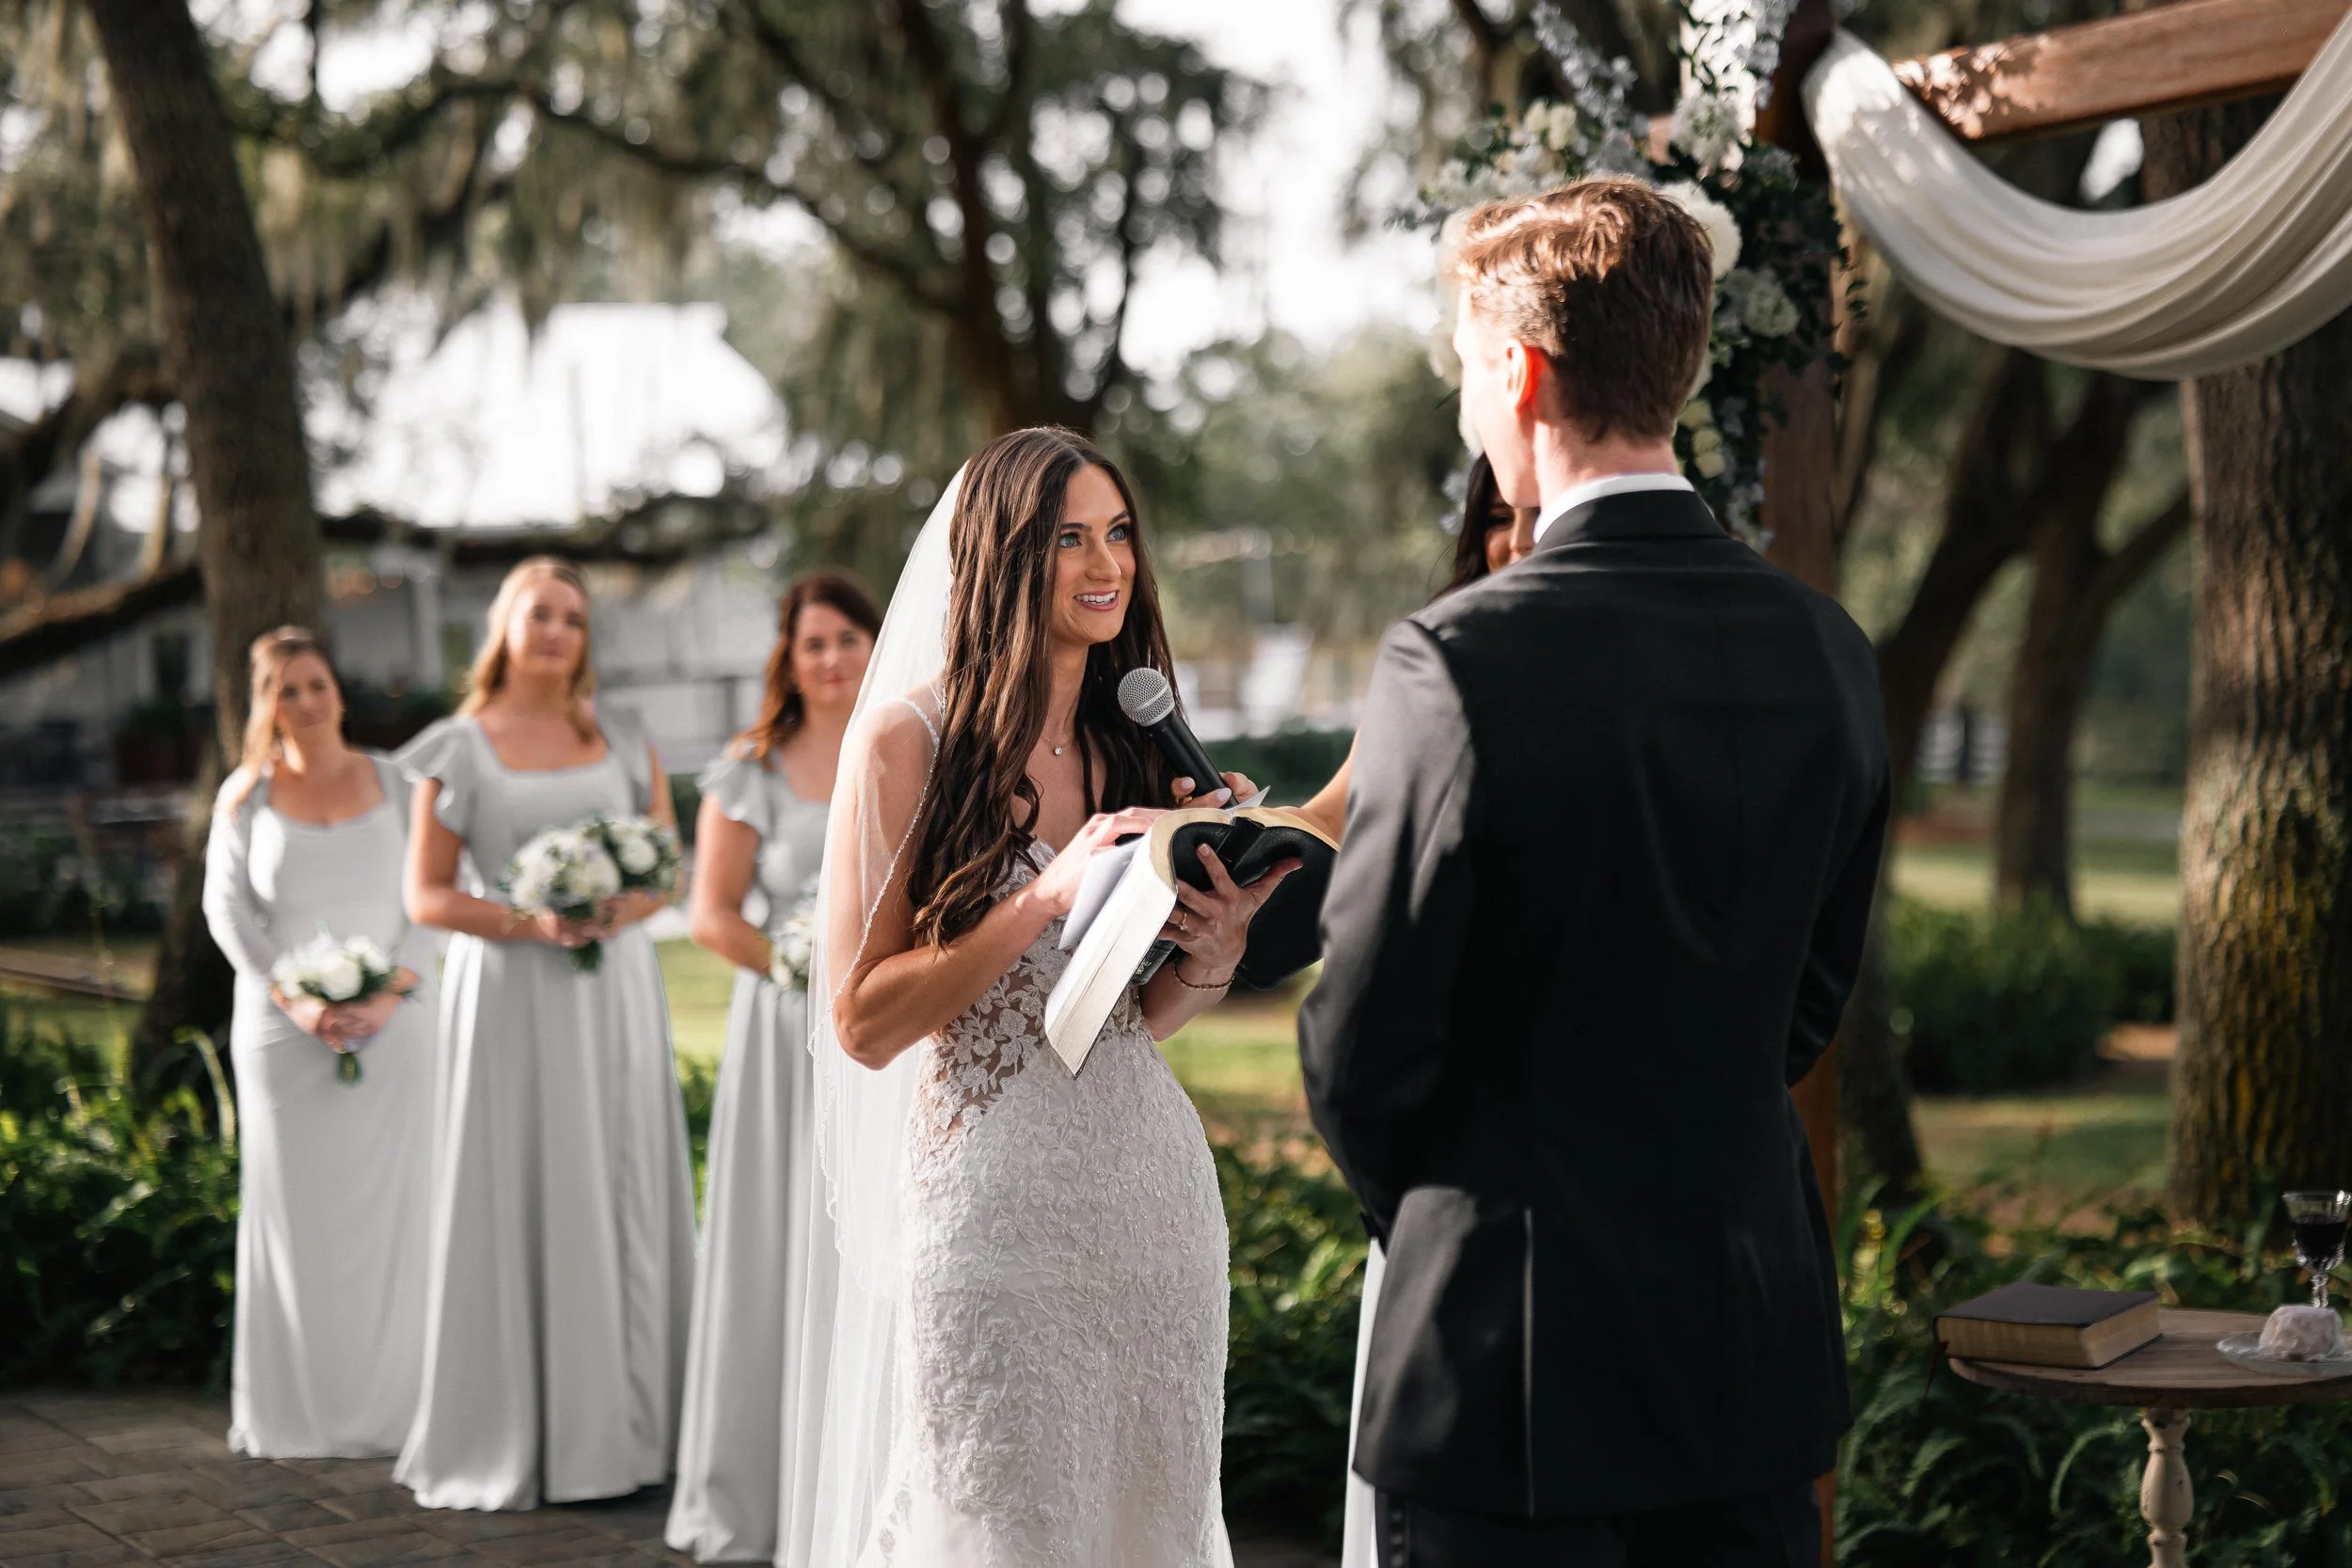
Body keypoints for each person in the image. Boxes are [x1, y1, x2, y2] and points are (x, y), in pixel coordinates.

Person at [1299, 179, 1890, 1568]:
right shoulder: (1831, 652)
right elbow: (1812, 999)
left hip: (1513, 1387)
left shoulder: (1454, 660)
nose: (1463, 408)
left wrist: (1454, 1213)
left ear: (1519, 368)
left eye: (1464, 369)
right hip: (1746, 1366)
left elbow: (1361, 1045)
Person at [801, 427, 1295, 1566]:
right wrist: (1042, 896)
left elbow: (1138, 1018)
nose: (1104, 562)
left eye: (1117, 532)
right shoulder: (905, 740)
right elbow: (863, 1020)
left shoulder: (1137, 745)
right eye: (1066, 537)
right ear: (1001, 556)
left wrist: (1214, 943)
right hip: (995, 1221)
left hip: (1156, 1207)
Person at [394, 556, 696, 1513]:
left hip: (614, 991)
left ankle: (641, 1426)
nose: (557, 629)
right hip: (511, 1001)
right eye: (539, 614)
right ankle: (522, 1427)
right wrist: (533, 920)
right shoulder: (455, 746)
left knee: (623, 1186)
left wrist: (617, 905)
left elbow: (666, 870)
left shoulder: (622, 732)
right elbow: (426, 892)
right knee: (523, 1183)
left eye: (572, 615)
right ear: (504, 628)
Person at [666, 570, 880, 1565]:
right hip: (785, 1020)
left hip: (889, 1026)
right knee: (780, 1232)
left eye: (847, 637)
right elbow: (710, 909)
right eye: (813, 643)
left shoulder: (923, 742)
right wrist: (801, 965)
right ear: (788, 662)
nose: (832, 657)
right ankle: (761, 1488)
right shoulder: (749, 768)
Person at [201, 626, 432, 1459]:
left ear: (340, 689)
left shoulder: (402, 783)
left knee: (399, 1207)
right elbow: (227, 912)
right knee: (296, 1216)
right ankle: (298, 1412)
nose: (304, 702)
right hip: (281, 1032)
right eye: (285, 690)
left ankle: (402, 1406)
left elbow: (435, 896)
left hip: (398, 1022)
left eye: (316, 683)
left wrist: (394, 990)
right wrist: (293, 1000)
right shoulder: (245, 797)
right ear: (265, 703)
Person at [1297, 451, 1537, 841]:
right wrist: (1240, 831)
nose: (1521, 541)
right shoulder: (1435, 660)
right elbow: (1333, 816)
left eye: (1542, 515)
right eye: (1499, 520)